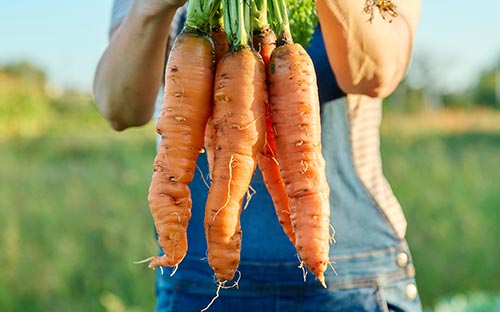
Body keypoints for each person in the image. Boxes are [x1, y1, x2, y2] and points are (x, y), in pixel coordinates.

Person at [93, 0, 422, 311]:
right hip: (196, 279)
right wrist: (151, 7)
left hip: (354, 281)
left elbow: (375, 74)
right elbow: (120, 108)